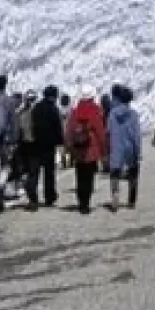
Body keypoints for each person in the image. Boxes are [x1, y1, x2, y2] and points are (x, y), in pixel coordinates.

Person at [65, 85, 108, 214]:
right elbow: (100, 131)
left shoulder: (75, 110)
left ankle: (81, 201)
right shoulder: (95, 110)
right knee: (89, 177)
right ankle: (86, 204)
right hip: (91, 149)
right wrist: (104, 150)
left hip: (78, 149)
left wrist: (68, 146)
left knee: (80, 176)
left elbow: (69, 130)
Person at [26, 85, 64, 208]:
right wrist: (60, 141)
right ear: (53, 96)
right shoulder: (54, 109)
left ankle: (32, 197)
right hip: (49, 146)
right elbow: (58, 127)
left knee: (34, 172)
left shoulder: (36, 107)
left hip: (35, 144)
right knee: (49, 172)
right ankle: (49, 196)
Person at [107, 85, 142, 209]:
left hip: (116, 146)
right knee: (133, 174)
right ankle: (131, 200)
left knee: (114, 174)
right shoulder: (134, 115)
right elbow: (136, 135)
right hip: (130, 148)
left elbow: (109, 131)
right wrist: (138, 151)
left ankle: (115, 195)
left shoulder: (112, 114)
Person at [57, 93, 73, 168]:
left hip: (61, 131)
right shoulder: (71, 109)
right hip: (69, 131)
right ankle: (70, 162)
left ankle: (64, 162)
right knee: (70, 148)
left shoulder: (58, 110)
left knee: (62, 148)